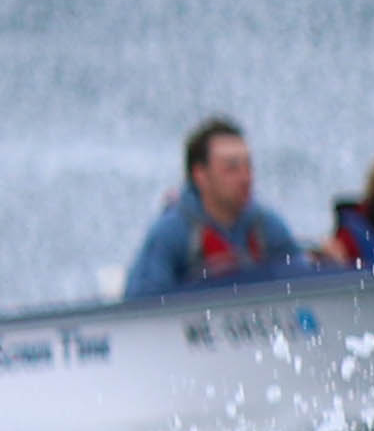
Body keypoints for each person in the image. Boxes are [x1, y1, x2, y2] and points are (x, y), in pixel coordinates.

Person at [121, 117, 307, 298]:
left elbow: (303, 282)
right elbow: (141, 301)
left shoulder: (268, 226)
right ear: (200, 175)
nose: (245, 178)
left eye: (248, 166)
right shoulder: (170, 233)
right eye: (232, 168)